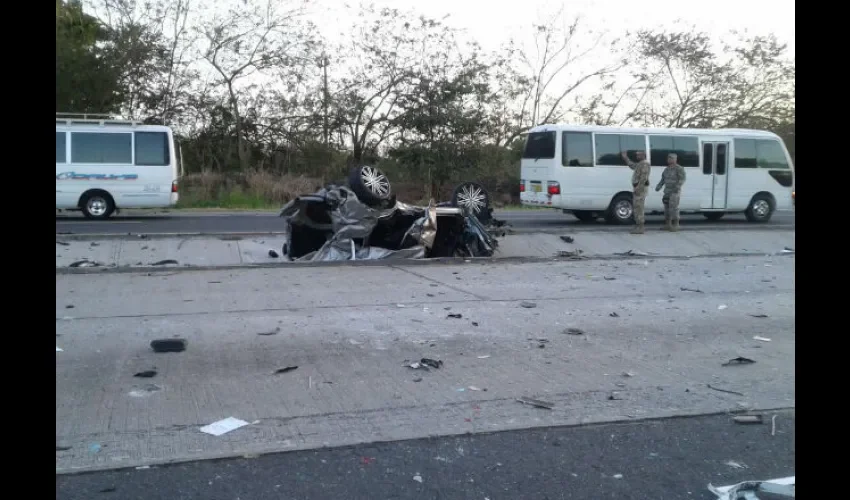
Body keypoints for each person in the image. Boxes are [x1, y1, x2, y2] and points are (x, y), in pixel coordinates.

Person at [655, 153, 686, 231]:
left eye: (671, 158)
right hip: (667, 191)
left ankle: (676, 224)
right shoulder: (666, 169)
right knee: (667, 209)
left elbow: (682, 179)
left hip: (674, 192)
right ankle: (668, 224)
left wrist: (677, 187)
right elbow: (663, 179)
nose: (669, 159)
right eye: (668, 158)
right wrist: (659, 186)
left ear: (675, 159)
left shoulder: (679, 168)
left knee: (674, 208)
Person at [621, 150, 650, 234]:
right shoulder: (640, 164)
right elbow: (632, 165)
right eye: (637, 155)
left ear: (643, 155)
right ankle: (638, 225)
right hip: (638, 188)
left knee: (639, 207)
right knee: (636, 207)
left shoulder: (644, 164)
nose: (637, 156)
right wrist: (626, 158)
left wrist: (638, 187)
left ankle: (640, 227)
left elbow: (643, 177)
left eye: (638, 155)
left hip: (640, 188)